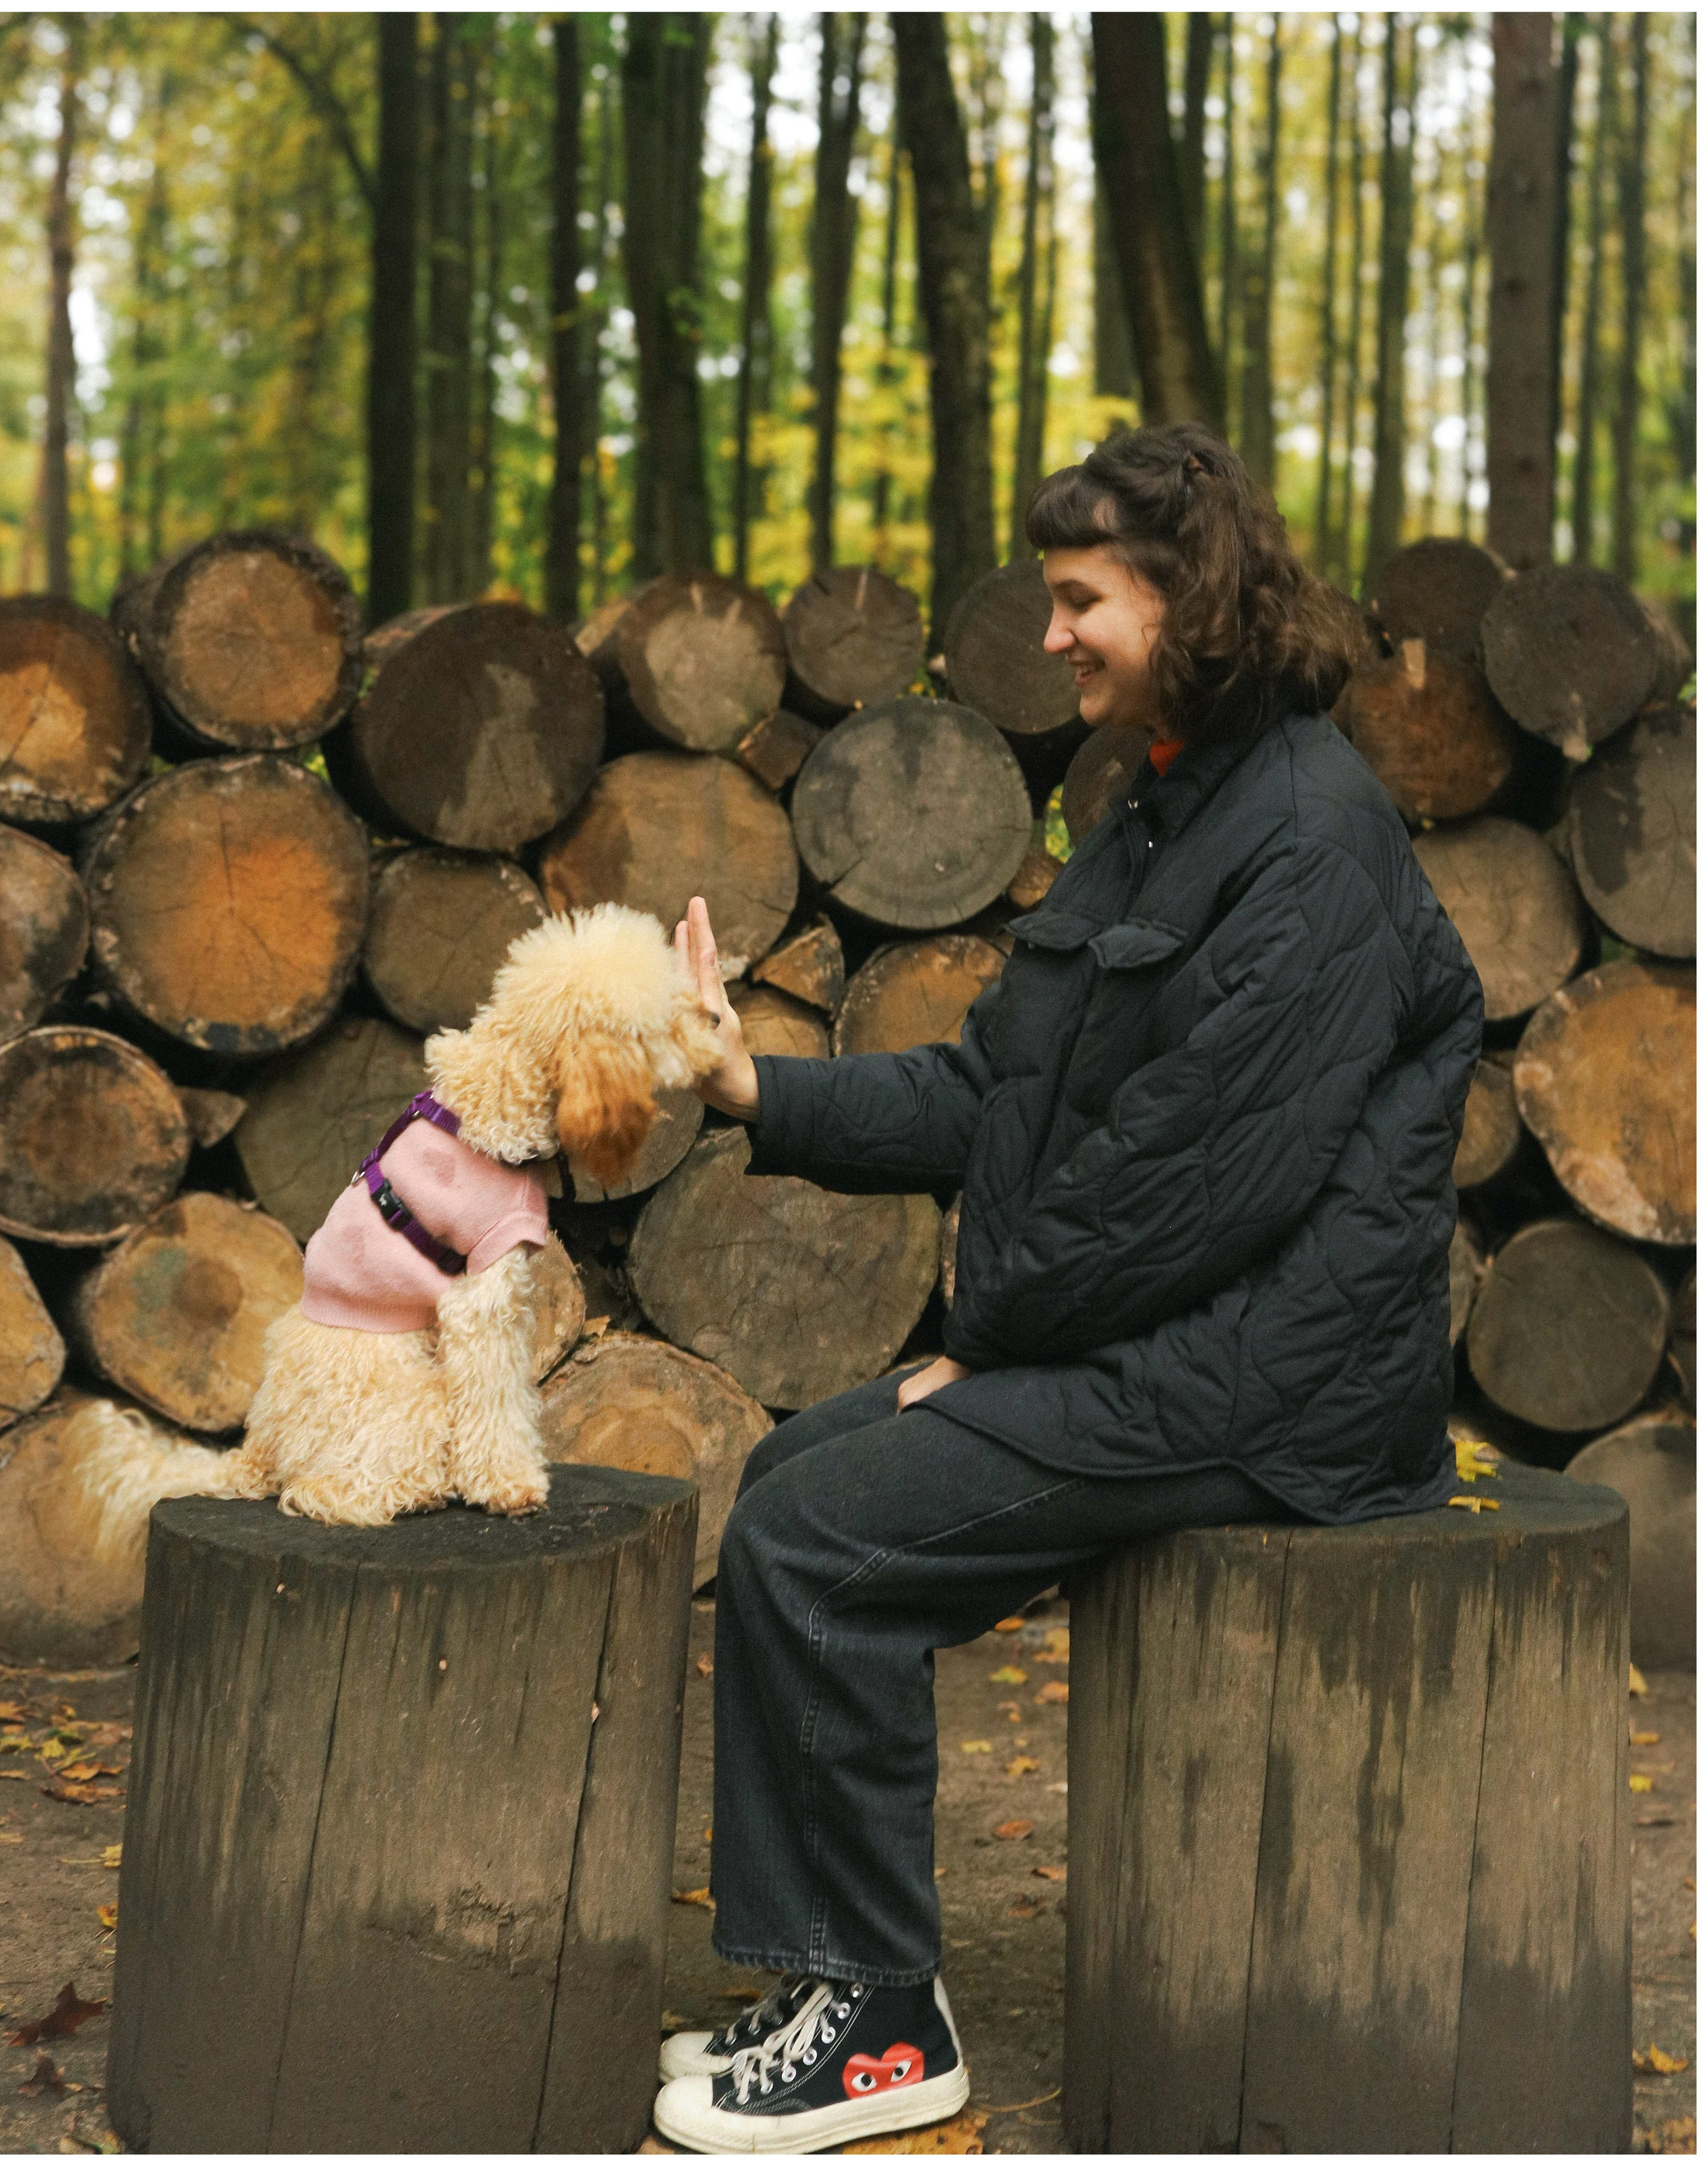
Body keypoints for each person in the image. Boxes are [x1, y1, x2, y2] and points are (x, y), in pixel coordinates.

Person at [651, 422, 1483, 2154]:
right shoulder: (1163, 804)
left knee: (819, 1540)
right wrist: (751, 1088)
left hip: (1279, 1385)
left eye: (1080, 600)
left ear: (1191, 598)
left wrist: (993, 1350)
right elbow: (992, 1091)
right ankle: (829, 1971)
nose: (1048, 637)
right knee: (799, 1468)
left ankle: (884, 2036)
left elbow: (1193, 1188)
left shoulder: (1308, 836)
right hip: (1182, 1336)